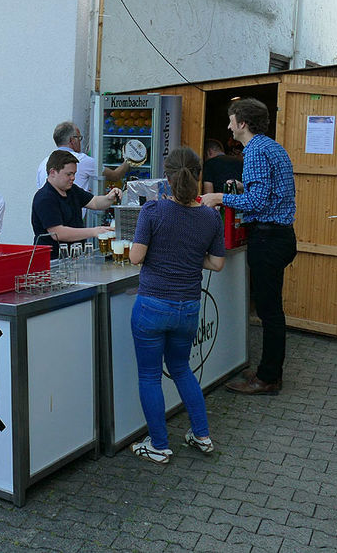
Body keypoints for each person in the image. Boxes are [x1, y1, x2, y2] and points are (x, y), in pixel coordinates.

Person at [127, 147, 225, 464]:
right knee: (182, 369)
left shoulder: (152, 211)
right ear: (198, 176)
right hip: (188, 307)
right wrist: (190, 256)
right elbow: (217, 263)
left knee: (150, 376)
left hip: (153, 304)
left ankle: (158, 444)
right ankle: (202, 435)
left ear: (166, 178)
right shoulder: (210, 216)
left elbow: (136, 257)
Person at [201, 98, 296, 396]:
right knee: (272, 310)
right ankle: (269, 371)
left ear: (242, 123)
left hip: (267, 238)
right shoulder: (272, 147)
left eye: (231, 120)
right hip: (281, 235)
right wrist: (242, 188)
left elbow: (256, 203)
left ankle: (268, 378)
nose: (228, 125)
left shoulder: (254, 151)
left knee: (269, 312)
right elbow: (267, 192)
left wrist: (217, 198)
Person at [31, 150, 120, 256]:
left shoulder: (72, 189)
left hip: (74, 257)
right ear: (53, 172)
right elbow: (57, 233)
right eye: (69, 174)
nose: (73, 178)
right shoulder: (45, 198)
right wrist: (94, 232)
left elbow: (95, 203)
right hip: (52, 261)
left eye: (74, 174)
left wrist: (109, 198)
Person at [35, 121, 129, 191]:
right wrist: (130, 158)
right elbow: (115, 176)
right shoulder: (83, 160)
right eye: (79, 138)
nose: (80, 141)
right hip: (71, 216)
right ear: (72, 140)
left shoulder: (43, 163)